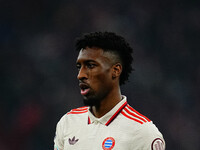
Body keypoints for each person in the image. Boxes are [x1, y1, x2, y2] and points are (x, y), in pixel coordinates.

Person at [54, 32, 165, 150]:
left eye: (91, 66)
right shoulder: (68, 122)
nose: (80, 75)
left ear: (115, 71)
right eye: (79, 67)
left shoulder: (143, 133)